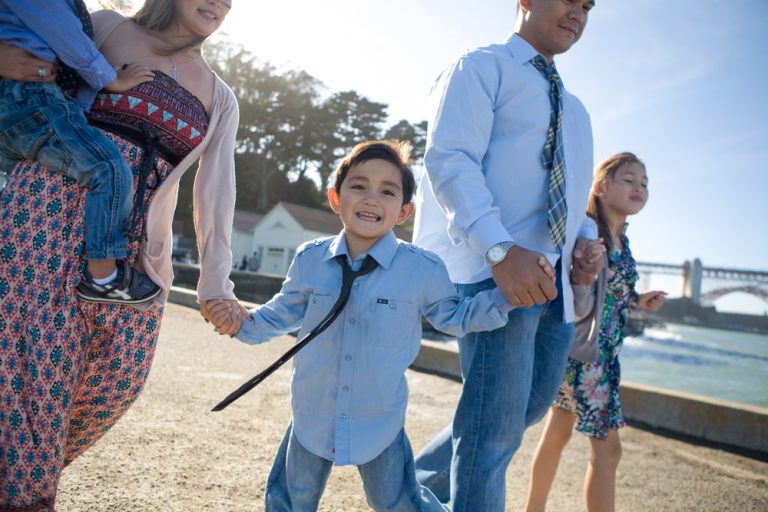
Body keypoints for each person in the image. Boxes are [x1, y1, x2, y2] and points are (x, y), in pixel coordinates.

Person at [0, 0, 244, 509]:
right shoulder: (106, 26)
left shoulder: (221, 98)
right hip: (44, 219)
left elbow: (215, 197)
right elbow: (26, 28)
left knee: (116, 383)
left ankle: (19, 474)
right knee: (32, 386)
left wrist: (216, 285)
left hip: (136, 254)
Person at [210, 140, 513, 511]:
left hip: (379, 419)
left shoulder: (423, 269)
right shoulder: (310, 259)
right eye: (359, 186)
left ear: (404, 211)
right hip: (313, 414)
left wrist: (508, 296)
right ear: (336, 199)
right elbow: (276, 316)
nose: (372, 198)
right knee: (290, 500)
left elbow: (455, 318)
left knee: (400, 503)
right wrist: (237, 321)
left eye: (387, 191)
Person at [411, 0, 605, 510]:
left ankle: (413, 488)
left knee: (524, 408)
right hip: (497, 275)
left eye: (588, 6)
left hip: (555, 286)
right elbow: (450, 160)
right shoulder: (481, 67)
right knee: (492, 433)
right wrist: (500, 250)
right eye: (569, 0)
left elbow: (576, 192)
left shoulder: (579, 110)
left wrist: (585, 241)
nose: (579, 13)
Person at [524, 152, 666, 512]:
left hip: (580, 352)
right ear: (601, 187)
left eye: (644, 182)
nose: (640, 187)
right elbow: (579, 288)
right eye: (629, 179)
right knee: (608, 450)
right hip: (590, 359)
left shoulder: (622, 240)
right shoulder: (590, 233)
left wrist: (637, 301)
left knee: (557, 433)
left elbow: (611, 293)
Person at [0, 0, 162, 305]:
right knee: (108, 169)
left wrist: (81, 110)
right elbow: (66, 36)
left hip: (24, 103)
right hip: (31, 97)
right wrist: (111, 78)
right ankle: (103, 276)